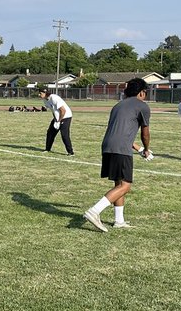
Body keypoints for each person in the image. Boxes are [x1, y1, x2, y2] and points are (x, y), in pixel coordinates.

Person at [83, 78, 151, 232]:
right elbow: (145, 133)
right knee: (125, 186)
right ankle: (94, 211)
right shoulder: (143, 106)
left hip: (107, 146)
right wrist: (146, 148)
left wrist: (139, 149)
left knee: (118, 183)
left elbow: (118, 131)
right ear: (142, 92)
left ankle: (119, 220)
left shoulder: (118, 105)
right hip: (121, 148)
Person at [38, 86, 74, 155]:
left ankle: (70, 152)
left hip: (66, 116)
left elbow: (63, 110)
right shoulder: (45, 100)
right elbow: (53, 111)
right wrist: (55, 120)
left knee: (64, 135)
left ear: (45, 93)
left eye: (40, 93)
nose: (39, 95)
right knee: (50, 132)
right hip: (58, 117)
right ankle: (47, 149)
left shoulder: (54, 98)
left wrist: (59, 121)